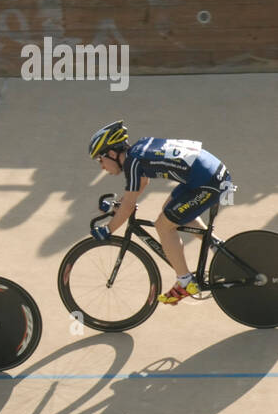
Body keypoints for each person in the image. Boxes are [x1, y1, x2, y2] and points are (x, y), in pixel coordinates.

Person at [87, 120, 232, 305]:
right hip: (208, 174)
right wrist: (119, 206)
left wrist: (108, 230)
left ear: (113, 153)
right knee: (170, 212)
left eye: (101, 159)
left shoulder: (132, 163)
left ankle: (185, 282)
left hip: (207, 182)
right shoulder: (138, 151)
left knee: (163, 226)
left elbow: (130, 205)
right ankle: (215, 245)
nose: (101, 167)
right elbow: (141, 184)